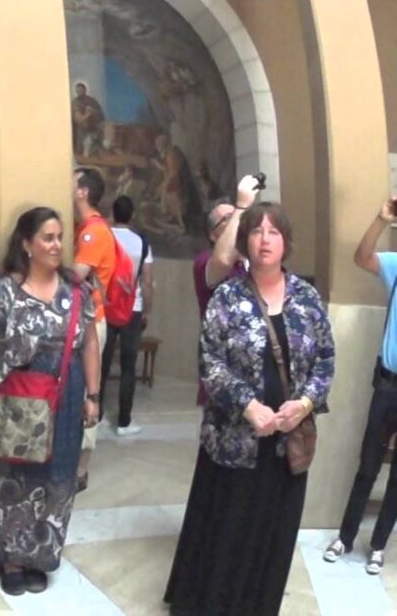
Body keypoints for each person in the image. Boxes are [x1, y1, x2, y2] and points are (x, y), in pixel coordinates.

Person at [165, 202, 335, 615]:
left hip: (286, 443)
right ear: (245, 241)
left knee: (272, 532)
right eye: (257, 231)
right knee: (229, 529)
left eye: (274, 232)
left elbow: (326, 359)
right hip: (234, 441)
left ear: (286, 242)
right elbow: (211, 361)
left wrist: (305, 402)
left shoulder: (307, 299)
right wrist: (248, 406)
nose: (265, 239)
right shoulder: (227, 296)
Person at [0, 206, 100, 596]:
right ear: (27, 244)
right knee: (13, 475)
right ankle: (10, 557)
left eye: (60, 237)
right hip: (18, 395)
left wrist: (93, 394)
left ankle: (40, 553)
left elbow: (89, 342)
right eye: (47, 237)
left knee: (57, 476)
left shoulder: (76, 289)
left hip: (66, 394)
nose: (57, 245)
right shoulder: (6, 290)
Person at [324, 197, 397, 574]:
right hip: (388, 385)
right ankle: (346, 537)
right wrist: (381, 219)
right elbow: (362, 257)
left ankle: (380, 544)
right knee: (368, 464)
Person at [193, 174, 262, 405]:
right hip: (225, 377)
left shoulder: (259, 263)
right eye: (229, 219)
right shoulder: (206, 262)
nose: (239, 221)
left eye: (239, 217)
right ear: (213, 235)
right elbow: (222, 260)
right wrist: (242, 206)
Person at [73, 167, 115, 490]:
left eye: (72, 180)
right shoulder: (85, 228)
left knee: (91, 390)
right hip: (84, 320)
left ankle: (81, 470)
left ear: (83, 191)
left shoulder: (93, 232)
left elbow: (75, 275)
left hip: (91, 322)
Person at [100, 196, 153, 435]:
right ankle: (124, 421)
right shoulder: (141, 242)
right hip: (133, 307)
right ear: (131, 216)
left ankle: (97, 416)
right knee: (129, 367)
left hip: (105, 306)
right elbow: (147, 281)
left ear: (112, 212)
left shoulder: (104, 237)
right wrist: (147, 310)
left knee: (100, 362)